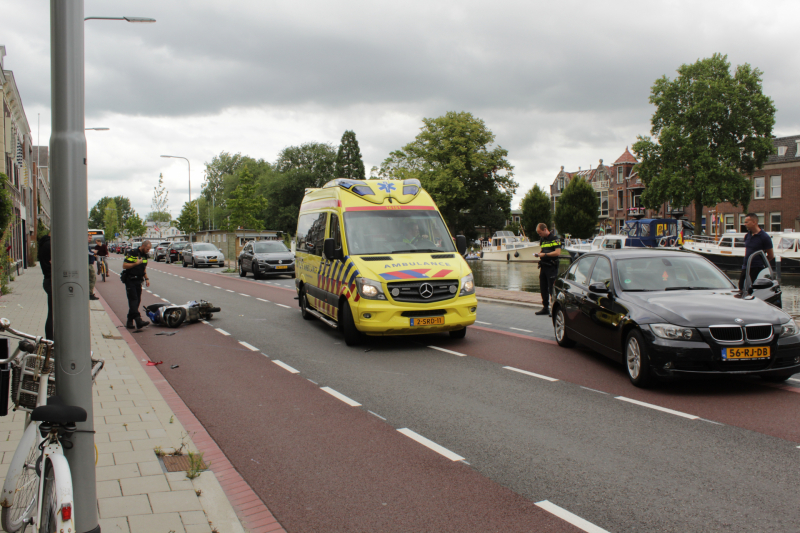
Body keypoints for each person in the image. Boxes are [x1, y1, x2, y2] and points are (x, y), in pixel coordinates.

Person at [739, 213, 773, 291]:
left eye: (747, 222)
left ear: (754, 222)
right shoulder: (747, 236)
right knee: (741, 288)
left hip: (756, 269)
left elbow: (771, 255)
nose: (745, 224)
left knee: (753, 290)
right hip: (745, 267)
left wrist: (760, 263)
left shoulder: (765, 237)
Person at [122, 240, 151, 330]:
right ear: (143, 246)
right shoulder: (133, 253)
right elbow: (124, 265)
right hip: (130, 279)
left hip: (139, 280)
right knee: (133, 300)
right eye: (147, 249)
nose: (148, 250)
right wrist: (136, 263)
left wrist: (146, 278)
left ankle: (129, 321)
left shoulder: (145, 255)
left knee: (137, 301)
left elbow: (143, 268)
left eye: (149, 249)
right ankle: (138, 320)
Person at [534, 223, 562, 316]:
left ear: (545, 229)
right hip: (543, 266)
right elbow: (543, 250)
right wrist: (539, 254)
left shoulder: (555, 239)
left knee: (551, 289)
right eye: (538, 233)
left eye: (540, 233)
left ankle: (554, 309)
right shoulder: (542, 239)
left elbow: (557, 252)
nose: (539, 235)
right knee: (543, 287)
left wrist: (545, 255)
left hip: (551, 267)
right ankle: (545, 308)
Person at [38, 230, 53, 340]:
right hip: (52, 281)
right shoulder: (50, 245)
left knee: (52, 313)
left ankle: (50, 340)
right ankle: (50, 341)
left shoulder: (44, 243)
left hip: (48, 280)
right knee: (53, 314)